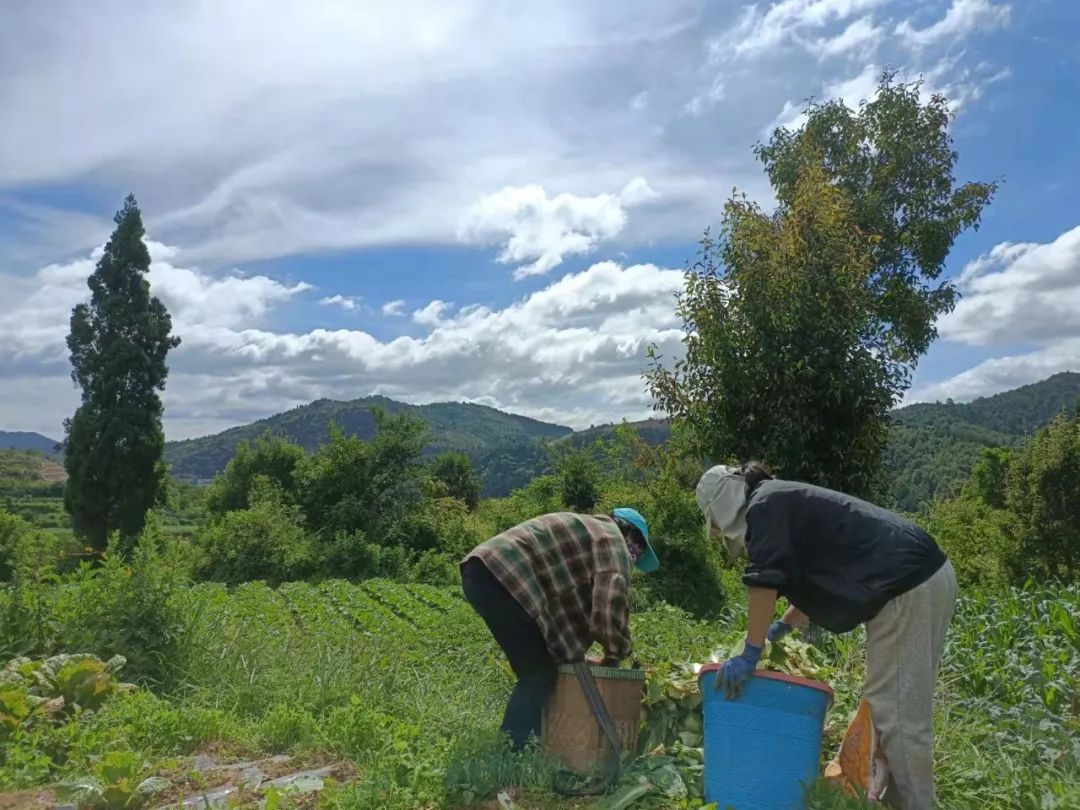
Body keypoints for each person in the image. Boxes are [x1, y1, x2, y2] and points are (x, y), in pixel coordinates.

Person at [696, 462, 957, 810]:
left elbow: (763, 582)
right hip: (918, 580)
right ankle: (892, 800)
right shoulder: (777, 501)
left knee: (896, 714)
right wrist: (785, 626)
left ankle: (918, 804)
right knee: (887, 705)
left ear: (723, 507)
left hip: (907, 587)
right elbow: (814, 576)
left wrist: (751, 651)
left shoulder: (764, 506)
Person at [460, 508, 659, 751]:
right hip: (502, 575)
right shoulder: (614, 542)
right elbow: (609, 608)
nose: (634, 556)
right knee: (537, 674)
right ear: (628, 531)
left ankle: (532, 745)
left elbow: (563, 609)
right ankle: (511, 752)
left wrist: (573, 657)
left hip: (483, 571)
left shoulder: (589, 532)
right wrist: (615, 654)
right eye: (637, 546)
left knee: (540, 667)